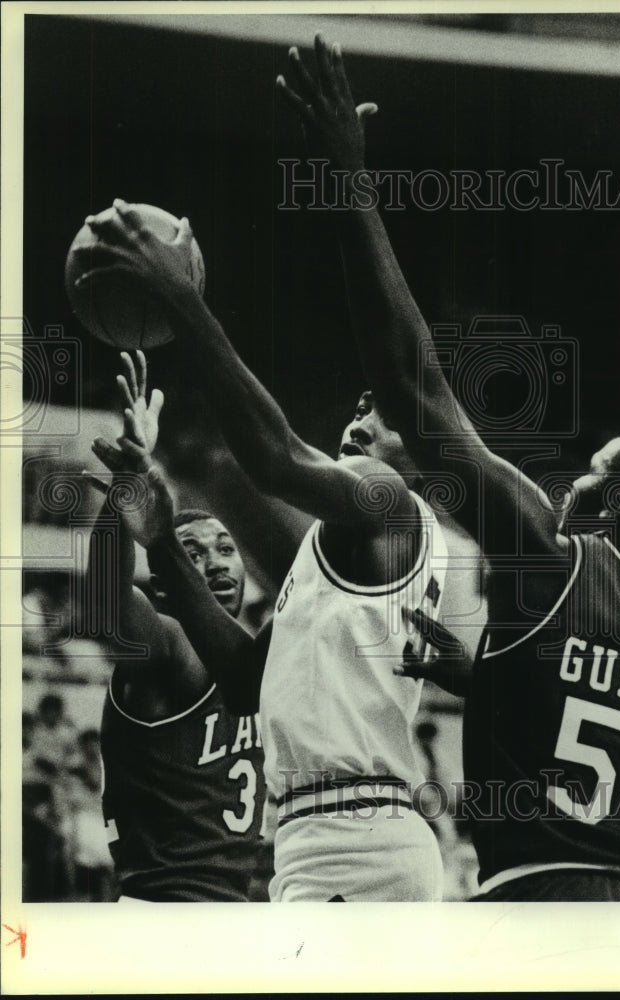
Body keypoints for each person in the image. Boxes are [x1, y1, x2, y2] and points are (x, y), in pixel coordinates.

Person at [275, 34, 620, 902]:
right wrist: (478, 673)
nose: (571, 485)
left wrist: (345, 173)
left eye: (592, 473)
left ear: (616, 501)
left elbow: (413, 385)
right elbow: (600, 732)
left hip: (555, 896)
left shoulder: (556, 558)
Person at [79, 226, 449, 903]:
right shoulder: (326, 562)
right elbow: (249, 680)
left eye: (384, 410)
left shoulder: (388, 498)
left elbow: (274, 458)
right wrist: (158, 537)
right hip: (316, 840)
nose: (361, 410)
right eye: (359, 401)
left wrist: (183, 301)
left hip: (353, 831)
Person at [84, 351, 269, 902]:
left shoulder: (255, 657)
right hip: (165, 905)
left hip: (233, 903)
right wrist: (127, 487)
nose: (214, 561)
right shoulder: (168, 638)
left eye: (226, 548)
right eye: (191, 550)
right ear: (166, 576)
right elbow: (104, 607)